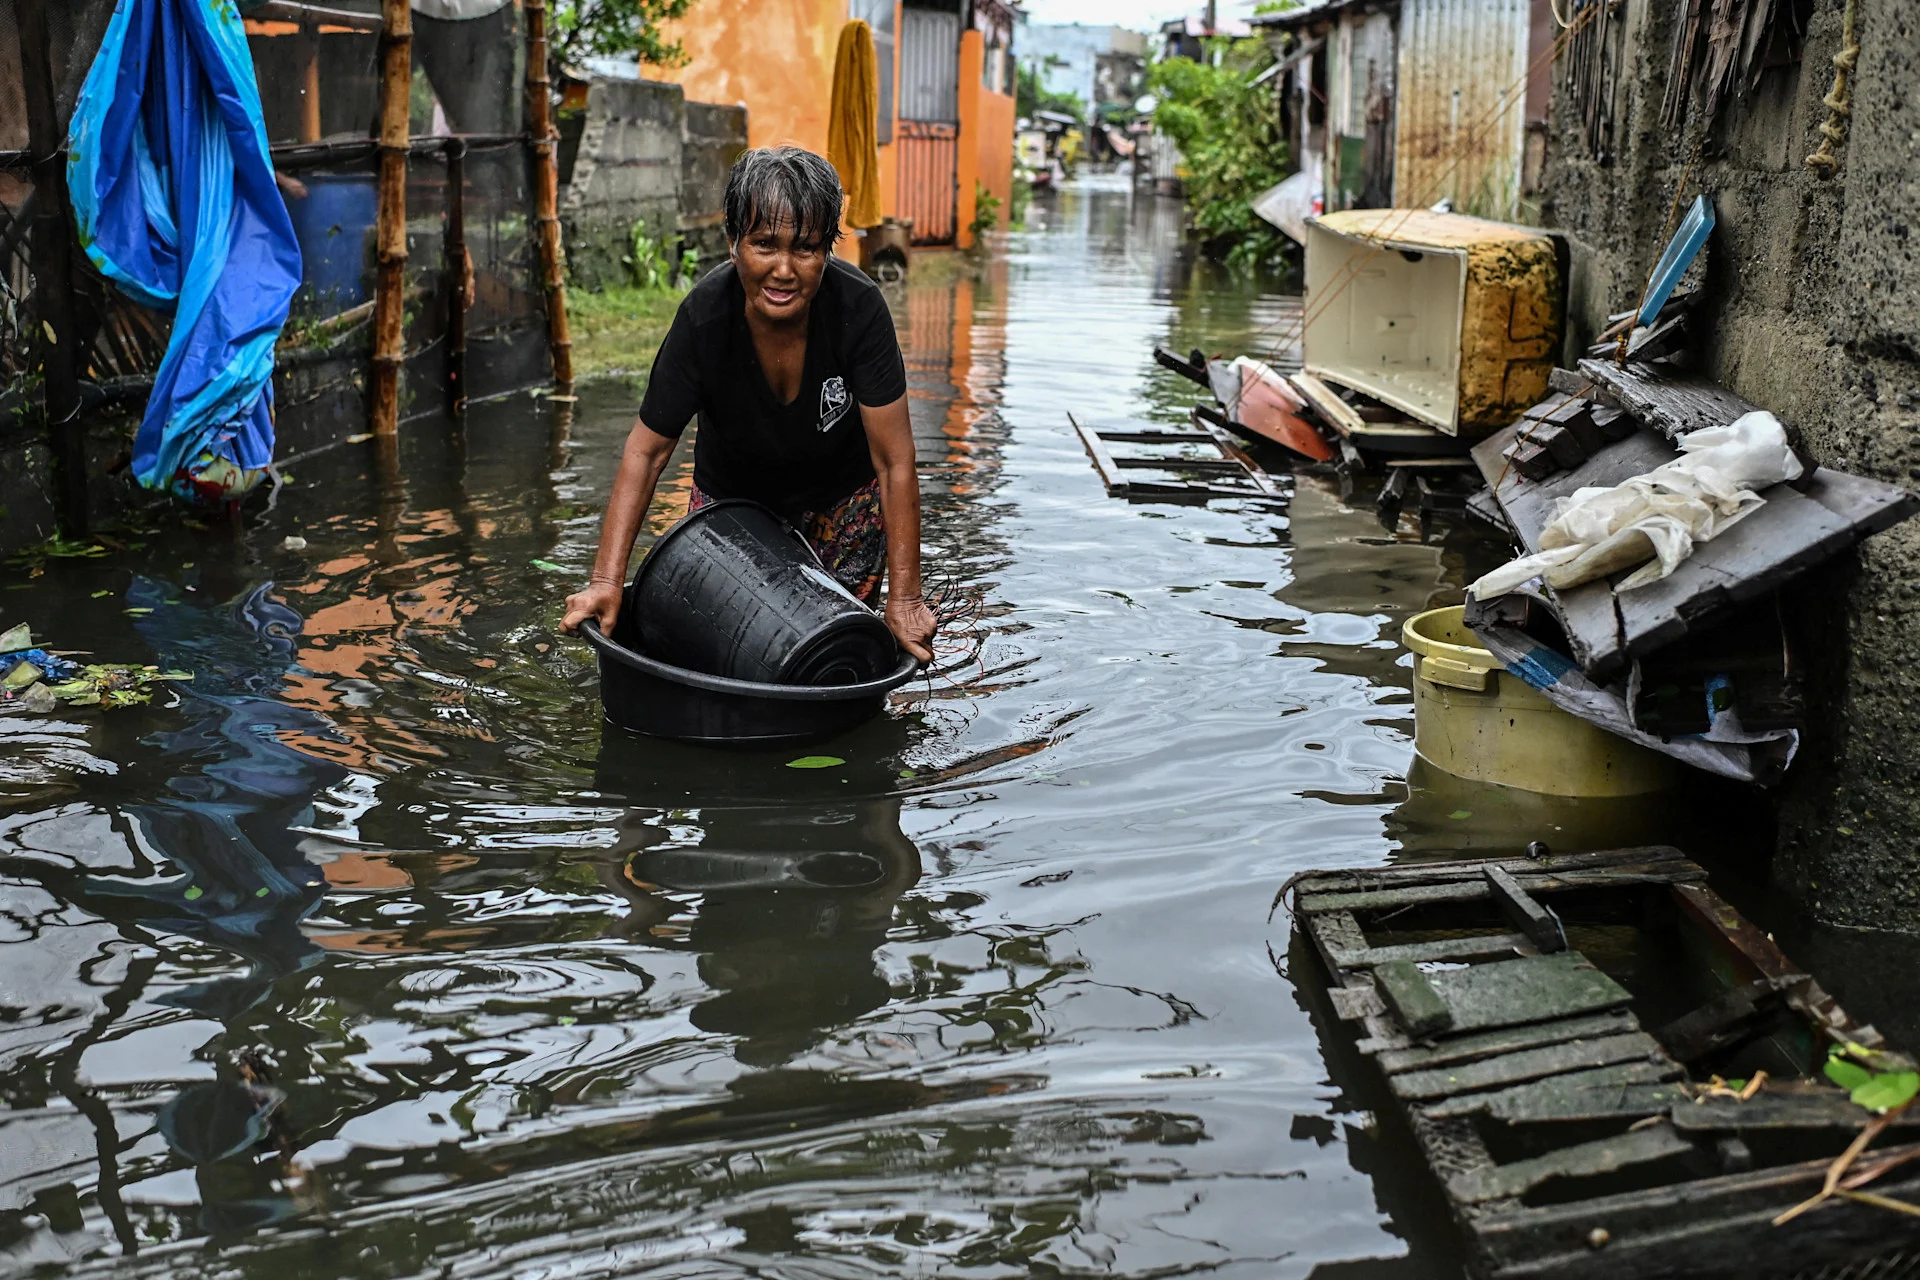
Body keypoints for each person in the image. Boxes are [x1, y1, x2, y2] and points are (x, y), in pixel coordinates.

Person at [560, 147, 935, 663]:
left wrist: (906, 599)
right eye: (764, 244)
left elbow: (895, 461)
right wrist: (605, 580)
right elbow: (645, 453)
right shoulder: (704, 319)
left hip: (839, 507)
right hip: (732, 509)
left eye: (805, 249)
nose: (783, 269)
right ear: (733, 244)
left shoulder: (859, 310)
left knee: (828, 655)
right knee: (723, 651)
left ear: (828, 250)